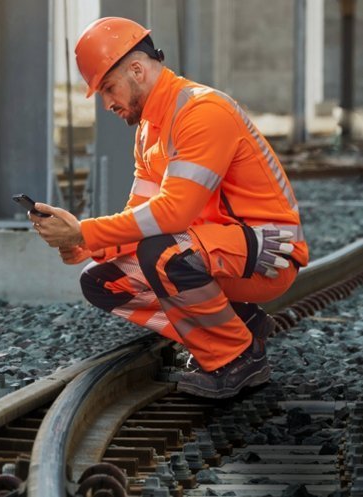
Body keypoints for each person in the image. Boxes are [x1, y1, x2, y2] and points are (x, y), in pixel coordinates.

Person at [29, 17, 309, 399]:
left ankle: (236, 357)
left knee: (163, 254)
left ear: (138, 70)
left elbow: (172, 214)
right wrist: (87, 247)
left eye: (109, 88)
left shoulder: (203, 111)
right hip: (214, 250)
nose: (108, 103)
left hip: (268, 253)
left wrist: (85, 230)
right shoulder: (149, 131)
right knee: (101, 280)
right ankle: (238, 325)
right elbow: (141, 213)